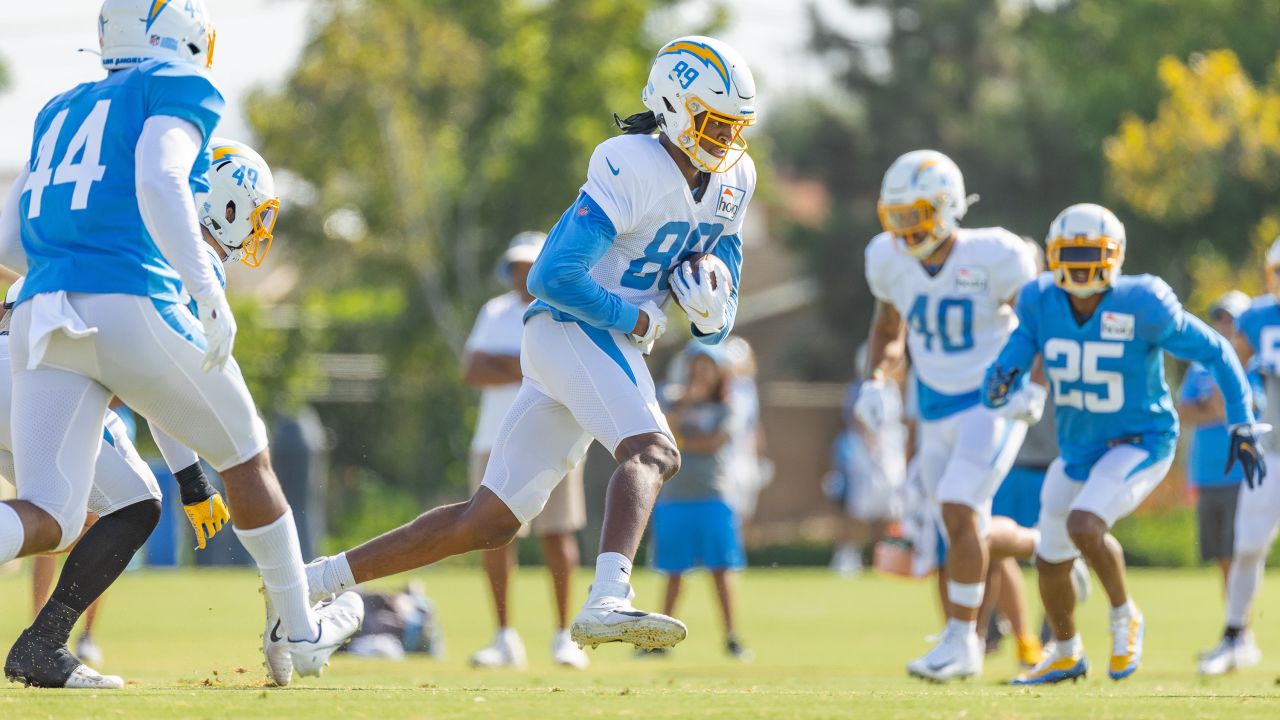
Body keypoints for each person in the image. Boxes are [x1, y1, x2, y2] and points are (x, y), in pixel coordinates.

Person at [304, 35, 757, 652]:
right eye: (712, 122)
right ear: (674, 106)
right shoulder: (633, 161)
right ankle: (608, 598)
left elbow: (720, 319)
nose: (723, 140)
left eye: (735, 126)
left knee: (487, 522)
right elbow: (552, 275)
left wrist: (710, 310)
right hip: (573, 327)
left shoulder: (735, 178)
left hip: (591, 343)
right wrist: (635, 318)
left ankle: (314, 580)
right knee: (654, 451)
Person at [0, 1, 362, 688]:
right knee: (249, 455)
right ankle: (300, 629)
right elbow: (160, 178)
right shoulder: (173, 86)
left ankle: (47, 643)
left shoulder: (59, 109)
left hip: (42, 310)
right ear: (179, 36)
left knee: (49, 512)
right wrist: (205, 289)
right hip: (130, 294)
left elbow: (10, 244)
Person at [986, 203, 1262, 685]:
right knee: (1050, 555)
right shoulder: (1039, 301)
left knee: (1083, 523)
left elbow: (1216, 351)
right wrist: (1000, 382)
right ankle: (1066, 651)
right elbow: (1013, 357)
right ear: (1053, 255)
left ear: (1114, 256)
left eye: (1090, 253)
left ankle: (1124, 615)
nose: (1078, 264)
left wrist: (1240, 423)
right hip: (1079, 450)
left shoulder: (1143, 303)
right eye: (1069, 253)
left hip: (1143, 439)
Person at [860, 149, 1042, 682]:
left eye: (915, 213)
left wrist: (1032, 380)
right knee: (957, 525)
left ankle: (965, 641)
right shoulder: (889, 259)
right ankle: (1050, 545)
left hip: (992, 397)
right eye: (896, 216)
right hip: (934, 406)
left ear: (947, 206)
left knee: (961, 509)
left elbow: (1037, 322)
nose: (906, 227)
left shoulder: (996, 254)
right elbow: (888, 331)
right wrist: (877, 379)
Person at [462, 231, 589, 670]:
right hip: (492, 440)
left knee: (558, 536)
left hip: (555, 438)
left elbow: (564, 369)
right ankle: (503, 639)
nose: (523, 274)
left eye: (530, 266)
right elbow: (474, 369)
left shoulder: (566, 310)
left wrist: (507, 364)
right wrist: (527, 365)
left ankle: (564, 638)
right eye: (518, 266)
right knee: (493, 538)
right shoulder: (494, 313)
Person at [1198, 244, 1280, 676]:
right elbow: (1231, 366)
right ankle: (1236, 635)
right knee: (1247, 545)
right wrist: (1239, 418)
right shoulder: (1258, 316)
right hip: (1272, 451)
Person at [646, 342, 750, 660]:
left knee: (721, 570)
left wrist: (682, 442)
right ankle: (660, 639)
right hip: (674, 498)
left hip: (713, 498)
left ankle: (732, 637)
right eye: (696, 365)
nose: (700, 372)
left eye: (708, 366)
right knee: (673, 571)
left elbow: (713, 443)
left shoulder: (728, 406)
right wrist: (685, 405)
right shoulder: (669, 399)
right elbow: (664, 436)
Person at [1179, 292, 1252, 589]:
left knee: (1239, 552)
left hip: (1241, 475)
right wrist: (1216, 409)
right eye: (1220, 318)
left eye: (1231, 318)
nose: (1224, 324)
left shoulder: (1255, 368)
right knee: (1221, 555)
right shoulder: (1199, 367)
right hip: (1207, 474)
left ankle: (1239, 626)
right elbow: (1183, 411)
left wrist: (1208, 406)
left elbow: (1232, 411)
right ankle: (1234, 626)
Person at [827, 346, 906, 577]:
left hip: (890, 454)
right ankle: (845, 557)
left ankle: (881, 559)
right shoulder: (863, 387)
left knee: (889, 510)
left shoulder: (893, 389)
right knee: (858, 510)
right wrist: (872, 447)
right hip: (866, 456)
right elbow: (859, 420)